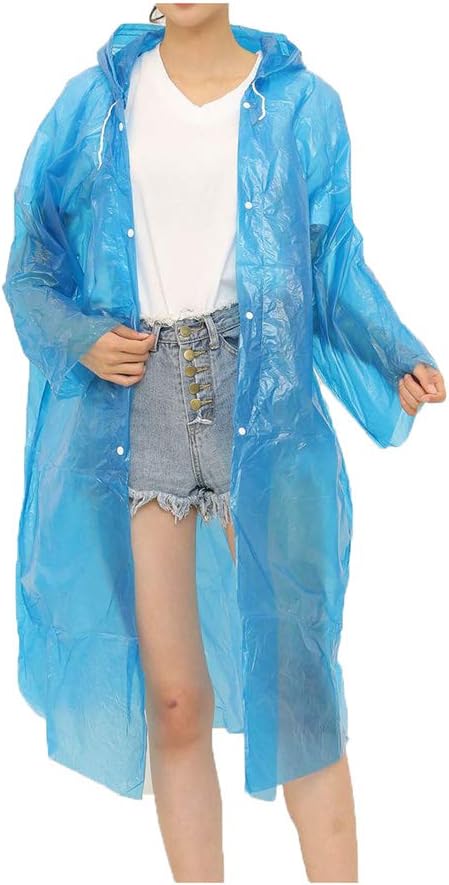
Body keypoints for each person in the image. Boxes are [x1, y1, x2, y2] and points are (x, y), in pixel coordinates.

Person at [2, 3, 445, 883]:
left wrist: (390, 351)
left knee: (298, 691)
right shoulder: (96, 104)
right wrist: (80, 337)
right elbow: (31, 263)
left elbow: (330, 262)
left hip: (263, 404)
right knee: (174, 700)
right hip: (139, 406)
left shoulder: (300, 105)